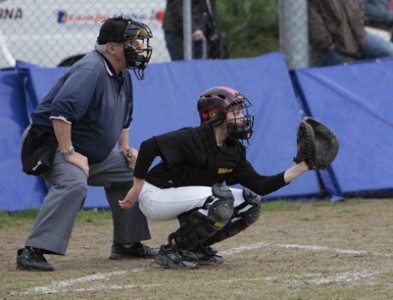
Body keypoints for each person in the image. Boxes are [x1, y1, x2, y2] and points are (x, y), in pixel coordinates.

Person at [16, 17, 157, 271]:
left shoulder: (122, 73)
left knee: (130, 171)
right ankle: (32, 250)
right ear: (112, 47)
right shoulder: (90, 70)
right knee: (73, 182)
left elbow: (125, 116)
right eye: (132, 41)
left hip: (87, 151)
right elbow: (60, 114)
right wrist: (70, 153)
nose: (138, 46)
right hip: (51, 144)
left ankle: (126, 244)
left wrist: (124, 147)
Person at [118, 86, 312, 269]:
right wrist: (137, 186)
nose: (242, 117)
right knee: (222, 198)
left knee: (251, 203)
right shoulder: (192, 137)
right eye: (235, 112)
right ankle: (174, 249)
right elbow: (148, 146)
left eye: (240, 112)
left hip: (183, 199)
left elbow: (260, 185)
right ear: (215, 115)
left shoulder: (233, 150)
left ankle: (194, 245)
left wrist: (302, 167)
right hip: (155, 196)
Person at [308, 0, 393, 67]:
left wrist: (358, 32)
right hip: (330, 45)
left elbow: (360, 11)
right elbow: (314, 24)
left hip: (356, 35)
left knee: (389, 52)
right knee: (340, 78)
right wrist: (328, 44)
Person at [162, 0, 228, 60]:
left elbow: (211, 8)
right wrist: (194, 29)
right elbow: (176, 7)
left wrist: (214, 29)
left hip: (203, 30)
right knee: (183, 68)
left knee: (203, 67)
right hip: (178, 32)